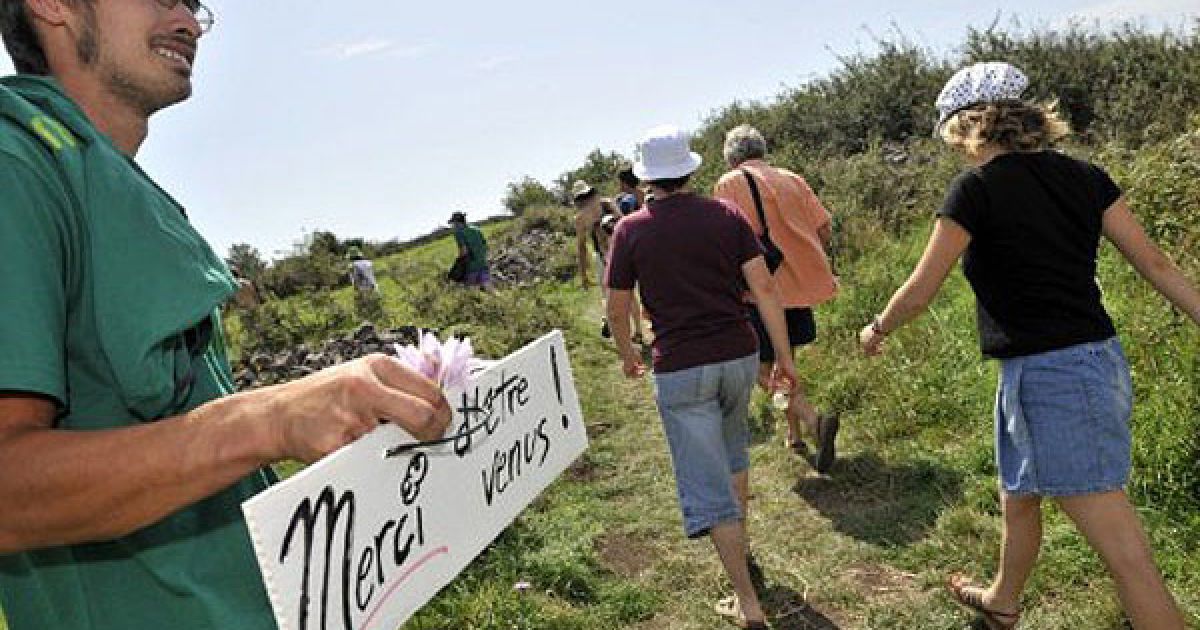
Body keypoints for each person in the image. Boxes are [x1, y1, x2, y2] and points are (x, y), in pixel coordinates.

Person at [0, 2, 451, 629]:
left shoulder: (110, 180)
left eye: (192, 4)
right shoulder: (16, 165)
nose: (187, 21)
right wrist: (267, 419)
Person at [858, 62, 1199, 630]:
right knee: (1020, 493)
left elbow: (920, 290)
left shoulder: (976, 188)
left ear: (968, 126)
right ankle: (1002, 600)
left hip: (1056, 377)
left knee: (1125, 553)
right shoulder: (1087, 177)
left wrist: (878, 329)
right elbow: (1156, 263)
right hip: (1083, 364)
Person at [606, 124, 797, 630]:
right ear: (690, 169)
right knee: (733, 456)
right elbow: (765, 288)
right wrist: (784, 358)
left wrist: (629, 354)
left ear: (647, 179)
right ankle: (744, 551)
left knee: (707, 483)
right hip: (738, 355)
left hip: (681, 367)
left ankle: (747, 602)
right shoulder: (726, 215)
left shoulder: (631, 230)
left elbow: (617, 302)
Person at [713, 124, 840, 470]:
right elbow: (824, 227)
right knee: (789, 361)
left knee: (758, 367)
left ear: (731, 157)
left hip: (759, 293)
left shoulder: (730, 184)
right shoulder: (793, 178)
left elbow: (724, 241)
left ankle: (813, 421)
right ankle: (794, 434)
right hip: (798, 289)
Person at [571, 179, 645, 341]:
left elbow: (623, 224)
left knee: (629, 293)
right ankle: (615, 326)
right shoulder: (580, 220)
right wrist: (583, 273)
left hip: (620, 252)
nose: (587, 200)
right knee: (609, 295)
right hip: (602, 257)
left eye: (588, 195)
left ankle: (638, 331)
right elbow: (581, 247)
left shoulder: (607, 204)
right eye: (583, 198)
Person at [448, 211, 491, 289]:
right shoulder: (476, 229)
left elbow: (464, 250)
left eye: (453, 223)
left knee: (471, 293)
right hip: (483, 265)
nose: (453, 226)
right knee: (487, 290)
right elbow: (485, 246)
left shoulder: (459, 233)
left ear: (458, 223)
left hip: (471, 268)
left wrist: (458, 263)